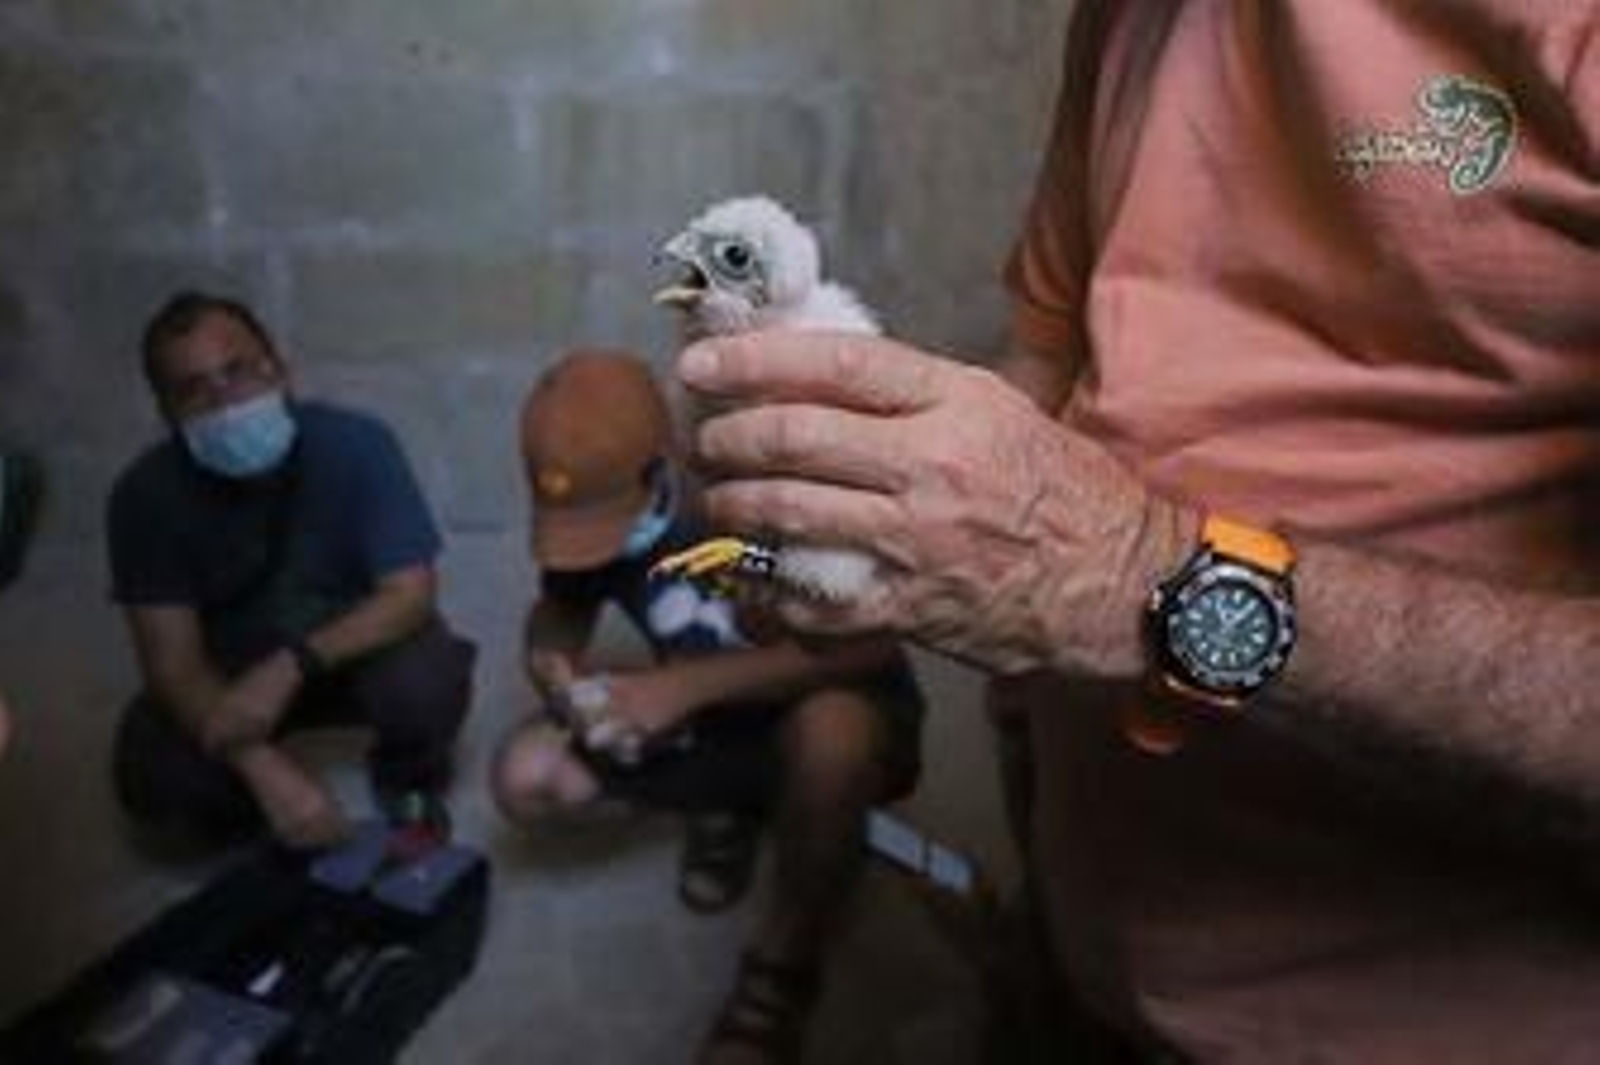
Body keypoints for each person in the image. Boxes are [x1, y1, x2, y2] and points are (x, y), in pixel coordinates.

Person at [669, 2, 1600, 1061]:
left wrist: (1137, 584)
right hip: (1092, 973)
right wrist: (849, 509)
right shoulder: (1137, 16)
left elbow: (1099, 570)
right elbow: (1063, 376)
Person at [491, 349, 926, 1065]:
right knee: (527, 774)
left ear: (664, 460)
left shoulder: (769, 501)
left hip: (833, 718)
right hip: (713, 729)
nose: (599, 546)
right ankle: (742, 811)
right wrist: (554, 671)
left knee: (833, 735)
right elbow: (557, 618)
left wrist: (679, 689)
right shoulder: (588, 513)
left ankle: (782, 968)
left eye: (607, 522)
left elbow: (872, 647)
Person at [108, 291, 475, 851]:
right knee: (154, 776)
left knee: (430, 681)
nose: (224, 399)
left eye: (237, 370)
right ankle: (264, 817)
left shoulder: (358, 444)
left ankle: (405, 778)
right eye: (193, 389)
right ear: (166, 413)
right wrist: (262, 769)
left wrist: (290, 666)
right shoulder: (143, 497)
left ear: (277, 368)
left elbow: (410, 594)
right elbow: (173, 665)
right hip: (229, 677)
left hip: (347, 652)